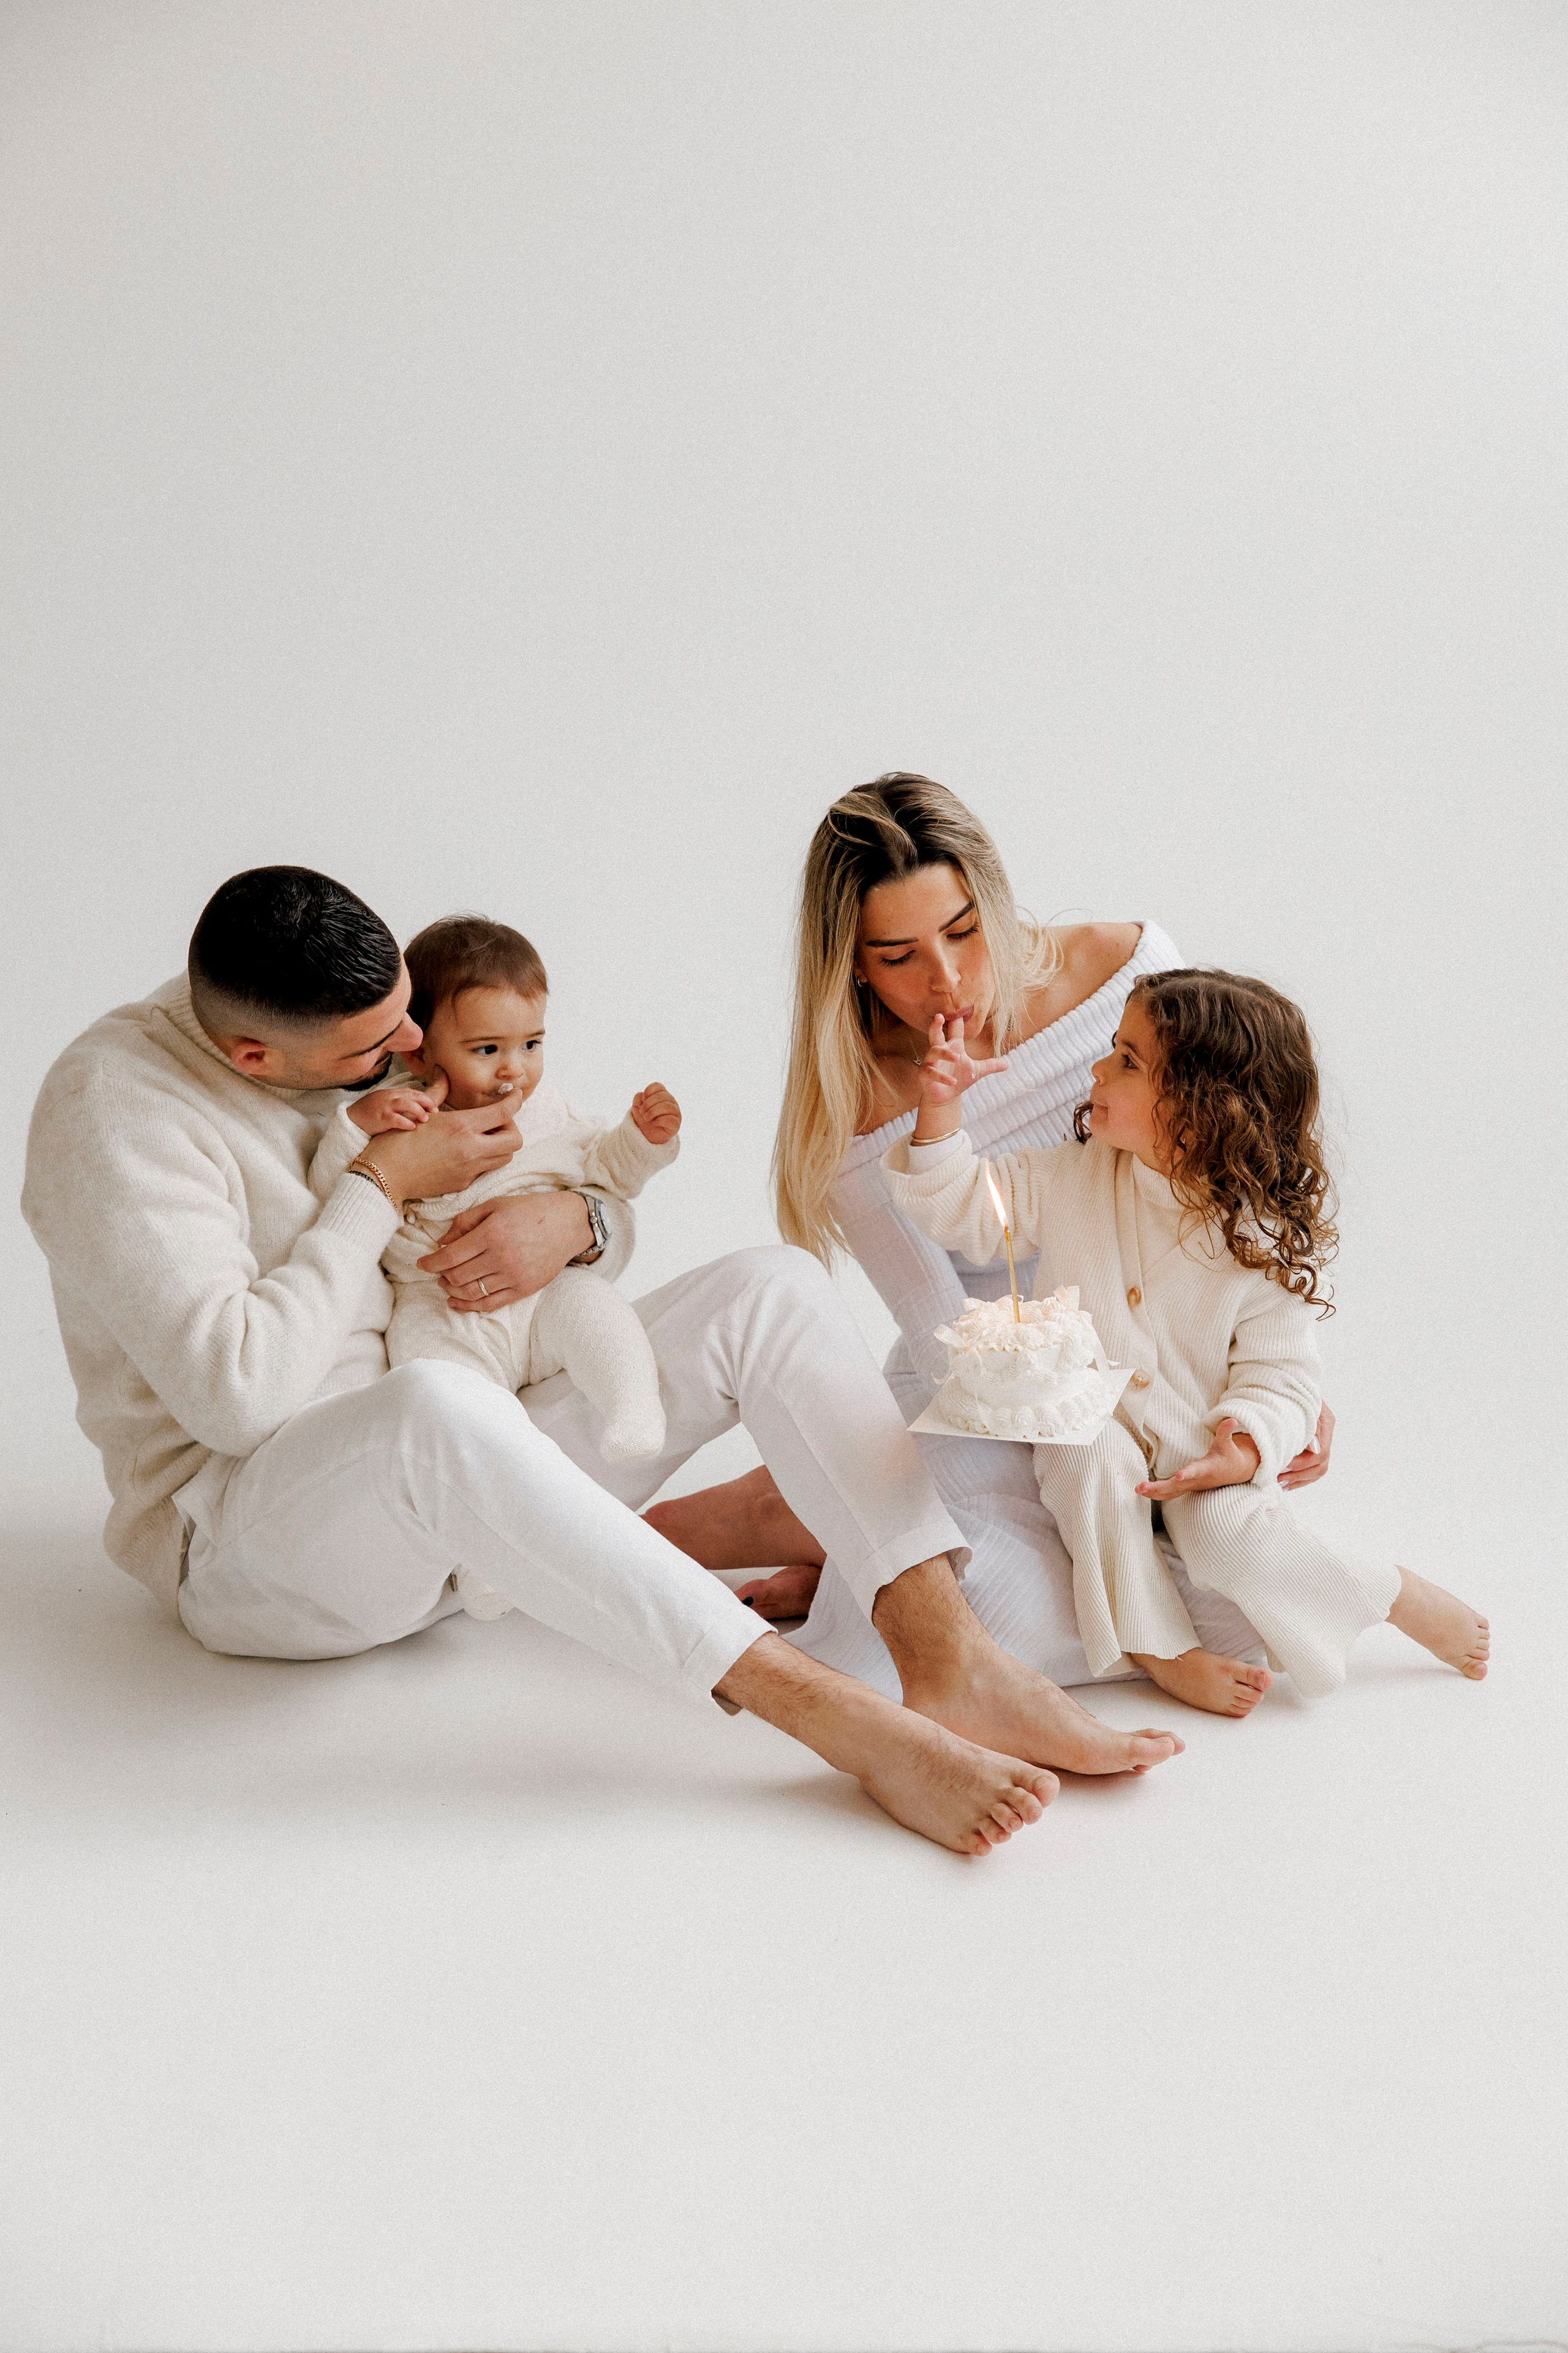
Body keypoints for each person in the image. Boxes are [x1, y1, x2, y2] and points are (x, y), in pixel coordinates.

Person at [21, 863, 1181, 1860]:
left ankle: (947, 1659)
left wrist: (578, 1223)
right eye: (379, 1048)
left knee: (769, 1286)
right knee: (431, 1405)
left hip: (481, 1460)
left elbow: (552, 1163)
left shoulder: (339, 1016)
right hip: (265, 1545)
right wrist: (377, 1186)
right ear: (250, 1055)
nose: (414, 1053)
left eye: (411, 1021)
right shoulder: (116, 1112)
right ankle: (839, 1721)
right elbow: (238, 1398)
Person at [647, 774, 1342, 1695]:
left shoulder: (1123, 970)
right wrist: (1107, 1434)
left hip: (1164, 1354)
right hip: (997, 1386)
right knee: (1005, 1601)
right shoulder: (862, 1096)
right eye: (898, 956)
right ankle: (732, 1525)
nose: (946, 979)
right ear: (852, 964)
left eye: (965, 930)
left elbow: (1227, 1174)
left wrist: (1269, 1391)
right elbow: (948, 1337)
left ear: (993, 897)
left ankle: (830, 1530)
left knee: (1242, 1600)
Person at [882, 966, 1489, 1713]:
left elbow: (1282, 1373)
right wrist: (939, 1108)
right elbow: (964, 1210)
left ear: (1202, 1112)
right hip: (1089, 1422)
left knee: (1228, 1538)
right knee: (1086, 1461)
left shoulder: (1261, 1239)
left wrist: (1243, 1445)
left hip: (1201, 1446)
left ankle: (1388, 1593)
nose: (1097, 1069)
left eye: (1127, 1061)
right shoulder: (1071, 1178)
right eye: (1112, 1049)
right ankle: (1157, 1646)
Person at [310, 912, 680, 1478]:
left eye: (531, 1044)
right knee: (439, 1392)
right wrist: (357, 1125)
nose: (515, 1070)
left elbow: (608, 1172)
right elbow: (332, 1193)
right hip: (441, 1307)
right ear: (419, 1054)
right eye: (487, 1049)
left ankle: (633, 1410)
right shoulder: (398, 1113)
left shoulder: (549, 1111)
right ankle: (497, 1481)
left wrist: (643, 1138)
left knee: (597, 1310)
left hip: (546, 1294)